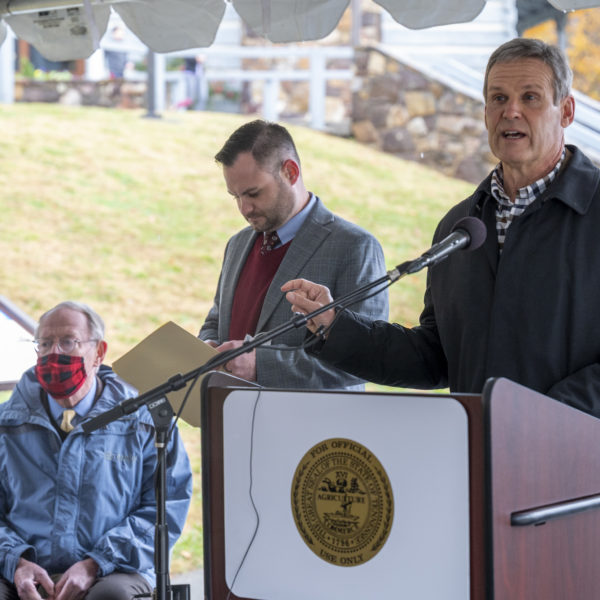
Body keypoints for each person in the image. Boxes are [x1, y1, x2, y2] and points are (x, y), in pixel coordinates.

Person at [283, 37, 600, 417]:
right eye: (498, 98)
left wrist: (541, 419)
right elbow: (436, 357)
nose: (511, 111)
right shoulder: (461, 228)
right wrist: (336, 326)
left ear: (565, 111)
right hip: (478, 461)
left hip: (577, 462)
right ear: (485, 113)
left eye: (530, 97)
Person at [0, 301, 193, 600]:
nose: (55, 353)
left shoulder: (143, 421)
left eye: (68, 342)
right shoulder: (6, 425)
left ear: (99, 353)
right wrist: (16, 563)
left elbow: (166, 506)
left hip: (115, 569)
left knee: (111, 596)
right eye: (45, 343)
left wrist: (96, 563)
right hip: (22, 571)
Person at [199, 119, 389, 390]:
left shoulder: (355, 248)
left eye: (253, 193)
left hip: (312, 430)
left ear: (290, 171)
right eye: (235, 196)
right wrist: (209, 346)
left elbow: (363, 362)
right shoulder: (237, 244)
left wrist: (259, 367)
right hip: (230, 423)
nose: (244, 208)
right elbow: (216, 320)